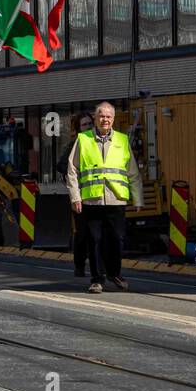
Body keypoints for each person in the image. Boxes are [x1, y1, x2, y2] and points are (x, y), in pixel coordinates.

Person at [65, 101, 143, 294]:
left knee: (117, 239)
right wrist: (75, 197)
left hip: (116, 199)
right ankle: (97, 279)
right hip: (92, 200)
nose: (105, 120)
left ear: (113, 119)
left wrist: (138, 198)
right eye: (101, 116)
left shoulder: (122, 140)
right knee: (95, 240)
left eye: (108, 116)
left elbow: (132, 172)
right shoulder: (83, 140)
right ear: (96, 119)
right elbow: (72, 170)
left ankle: (114, 273)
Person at [61, 113, 94, 277]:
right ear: (78, 129)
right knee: (82, 233)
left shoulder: (98, 143)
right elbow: (62, 165)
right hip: (81, 196)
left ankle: (99, 268)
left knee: (98, 233)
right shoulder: (75, 145)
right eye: (84, 125)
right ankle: (79, 265)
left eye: (90, 124)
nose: (88, 127)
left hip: (99, 196)